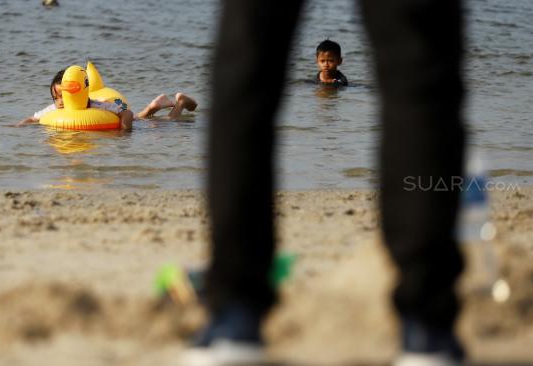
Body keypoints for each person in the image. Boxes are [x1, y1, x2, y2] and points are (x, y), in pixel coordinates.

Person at [181, 0, 467, 366]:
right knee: (418, 64)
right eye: (322, 60)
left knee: (247, 61)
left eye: (332, 60)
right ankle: (428, 328)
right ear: (317, 62)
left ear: (339, 63)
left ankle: (236, 315)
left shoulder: (342, 82)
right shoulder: (314, 81)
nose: (327, 65)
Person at [17, 69, 198, 130]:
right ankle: (155, 105)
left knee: (165, 122)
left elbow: (126, 113)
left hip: (125, 122)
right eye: (55, 98)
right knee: (143, 117)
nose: (60, 102)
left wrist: (125, 130)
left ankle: (180, 102)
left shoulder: (98, 106)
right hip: (123, 118)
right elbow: (33, 118)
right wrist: (18, 126)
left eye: (62, 96)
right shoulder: (54, 110)